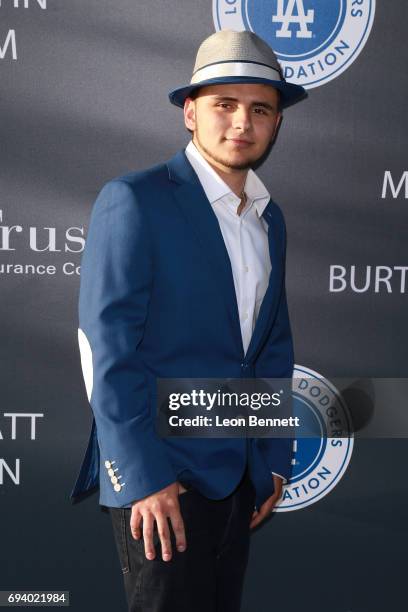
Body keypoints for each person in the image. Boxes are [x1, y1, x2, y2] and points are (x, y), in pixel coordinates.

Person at [71, 29, 306, 612]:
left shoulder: (269, 219)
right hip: (162, 480)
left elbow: (269, 346)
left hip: (239, 477)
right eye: (224, 104)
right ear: (190, 112)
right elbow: (107, 349)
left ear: (276, 123)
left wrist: (273, 459)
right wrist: (143, 477)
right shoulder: (135, 200)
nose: (241, 123)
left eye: (259, 109)